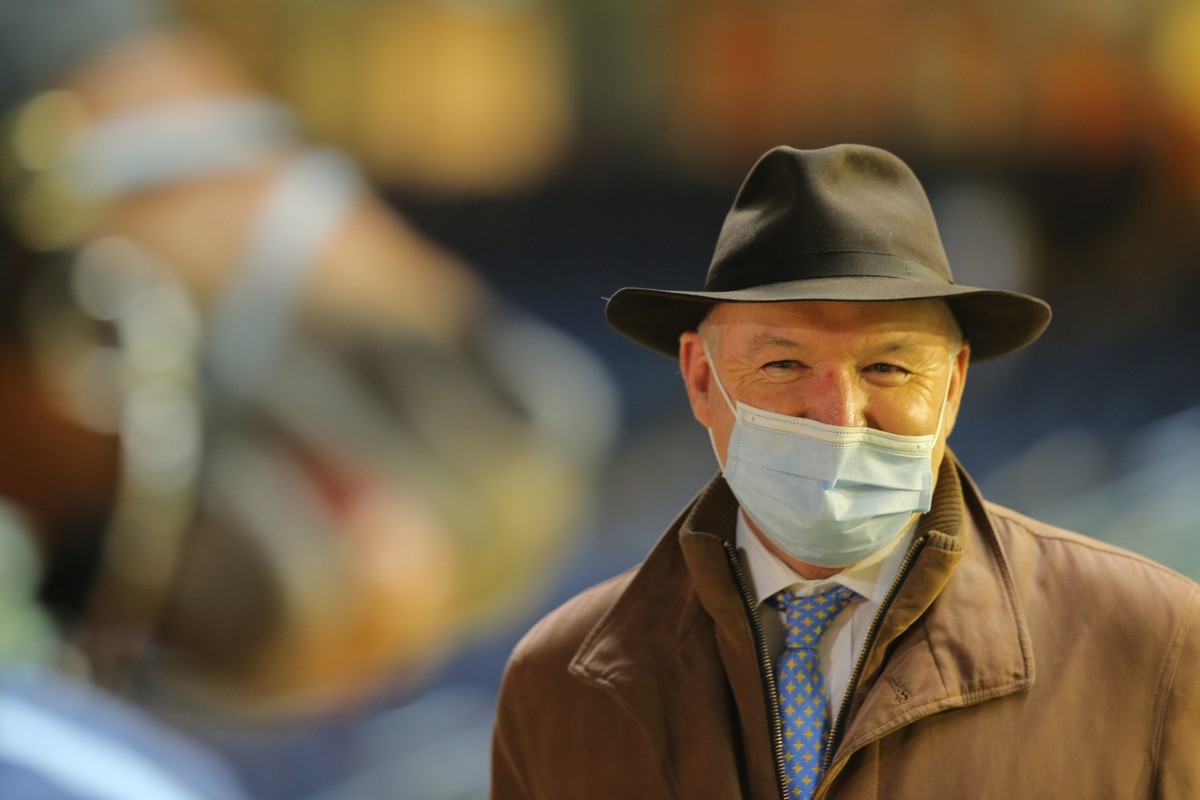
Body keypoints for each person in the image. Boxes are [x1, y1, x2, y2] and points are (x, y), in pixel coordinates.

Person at [491, 143, 1200, 799]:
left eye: (888, 367)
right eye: (784, 364)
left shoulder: (1154, 649)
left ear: (953, 388)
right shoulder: (558, 685)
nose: (839, 416)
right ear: (701, 380)